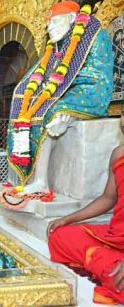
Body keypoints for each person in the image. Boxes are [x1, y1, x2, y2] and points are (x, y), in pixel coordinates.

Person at [7, 1, 113, 192]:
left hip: (92, 89)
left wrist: (62, 90)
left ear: (72, 19)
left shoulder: (94, 35)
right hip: (64, 90)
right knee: (23, 99)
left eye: (54, 22)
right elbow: (46, 72)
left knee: (54, 111)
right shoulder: (58, 44)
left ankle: (41, 182)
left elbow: (96, 72)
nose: (50, 28)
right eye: (48, 24)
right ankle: (25, 177)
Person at [48, 104, 124, 305]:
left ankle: (106, 267)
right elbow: (108, 198)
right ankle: (108, 265)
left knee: (114, 275)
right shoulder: (119, 153)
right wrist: (67, 218)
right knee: (59, 237)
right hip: (116, 237)